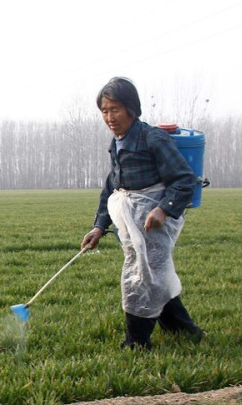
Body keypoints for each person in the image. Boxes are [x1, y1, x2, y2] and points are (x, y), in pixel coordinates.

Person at [81, 77, 203, 349]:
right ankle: (185, 331)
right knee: (154, 275)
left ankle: (136, 342)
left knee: (141, 277)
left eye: (115, 109)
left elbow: (183, 180)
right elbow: (113, 188)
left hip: (154, 225)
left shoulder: (152, 138)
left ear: (131, 109)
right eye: (104, 110)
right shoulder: (118, 142)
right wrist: (99, 226)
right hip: (132, 225)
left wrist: (163, 209)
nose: (109, 117)